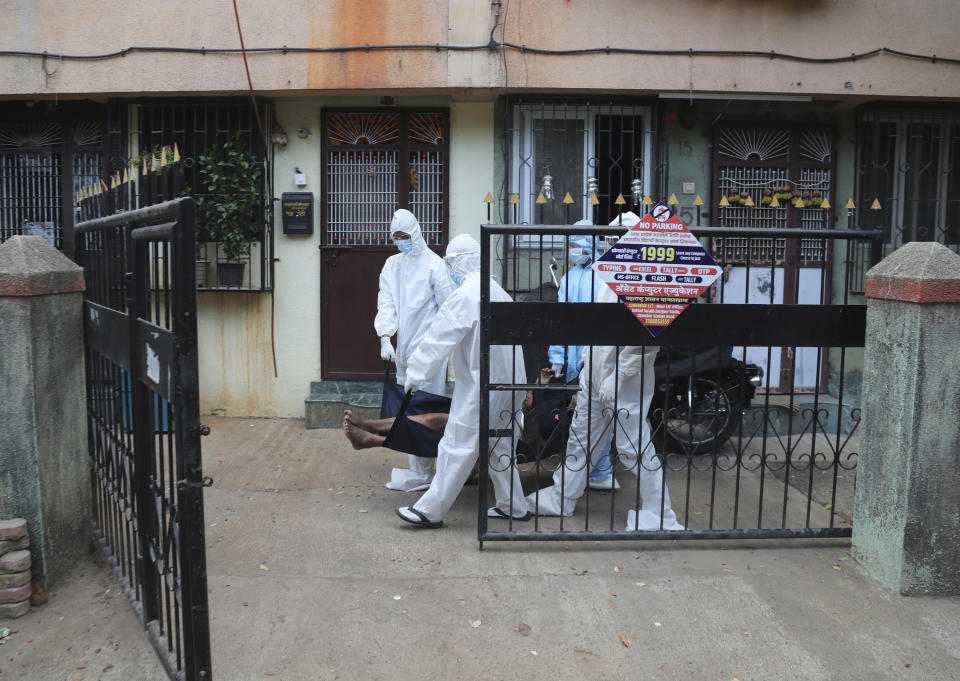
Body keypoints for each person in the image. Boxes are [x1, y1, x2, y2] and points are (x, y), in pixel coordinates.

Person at [526, 213, 684, 532]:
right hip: (596, 377)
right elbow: (595, 329)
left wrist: (618, 377)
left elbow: (646, 339)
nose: (612, 243)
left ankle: (660, 513)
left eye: (619, 236)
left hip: (625, 383)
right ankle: (562, 497)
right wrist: (588, 372)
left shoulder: (645, 277)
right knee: (582, 439)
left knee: (633, 447)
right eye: (610, 237)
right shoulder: (609, 276)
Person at [396, 234, 530, 528]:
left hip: (484, 383)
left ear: (459, 262)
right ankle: (514, 506)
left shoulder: (468, 294)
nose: (448, 270)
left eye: (450, 263)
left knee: (458, 442)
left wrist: (416, 373)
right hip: (512, 384)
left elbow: (438, 338)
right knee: (499, 444)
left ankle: (430, 510)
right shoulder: (497, 290)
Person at [375, 209, 456, 492]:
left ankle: (425, 471)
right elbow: (386, 301)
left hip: (429, 352)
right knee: (407, 408)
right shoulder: (392, 265)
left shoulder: (435, 265)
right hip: (404, 349)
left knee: (425, 407)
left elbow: (448, 310)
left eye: (405, 236)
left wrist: (437, 351)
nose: (400, 242)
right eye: (396, 237)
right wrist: (385, 335)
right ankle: (417, 470)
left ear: (416, 233)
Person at [548, 222, 619, 491]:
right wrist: (557, 356)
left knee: (601, 414)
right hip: (574, 357)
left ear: (589, 244)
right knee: (581, 416)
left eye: (576, 245)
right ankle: (582, 469)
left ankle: (601, 471)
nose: (572, 251)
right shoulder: (568, 278)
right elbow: (562, 323)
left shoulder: (605, 275)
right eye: (571, 246)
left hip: (599, 354)